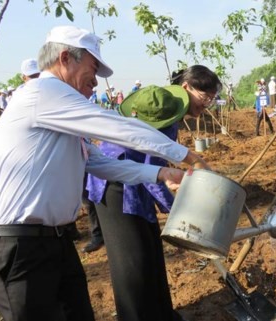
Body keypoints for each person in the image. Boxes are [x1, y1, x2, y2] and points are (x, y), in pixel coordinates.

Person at [0, 25, 206, 321]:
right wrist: (188, 156)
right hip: (20, 251)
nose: (95, 83)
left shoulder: (59, 114)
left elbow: (99, 163)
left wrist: (161, 173)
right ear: (65, 58)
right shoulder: (44, 92)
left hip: (54, 243)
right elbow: (117, 126)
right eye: (92, 69)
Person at [87, 65, 220, 321]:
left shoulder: (172, 105)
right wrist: (180, 214)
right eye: (205, 97)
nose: (207, 104)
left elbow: (154, 166)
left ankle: (162, 315)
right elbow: (152, 168)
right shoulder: (166, 107)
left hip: (135, 180)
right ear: (186, 88)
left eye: (211, 99)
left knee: (150, 252)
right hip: (115, 184)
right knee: (132, 264)